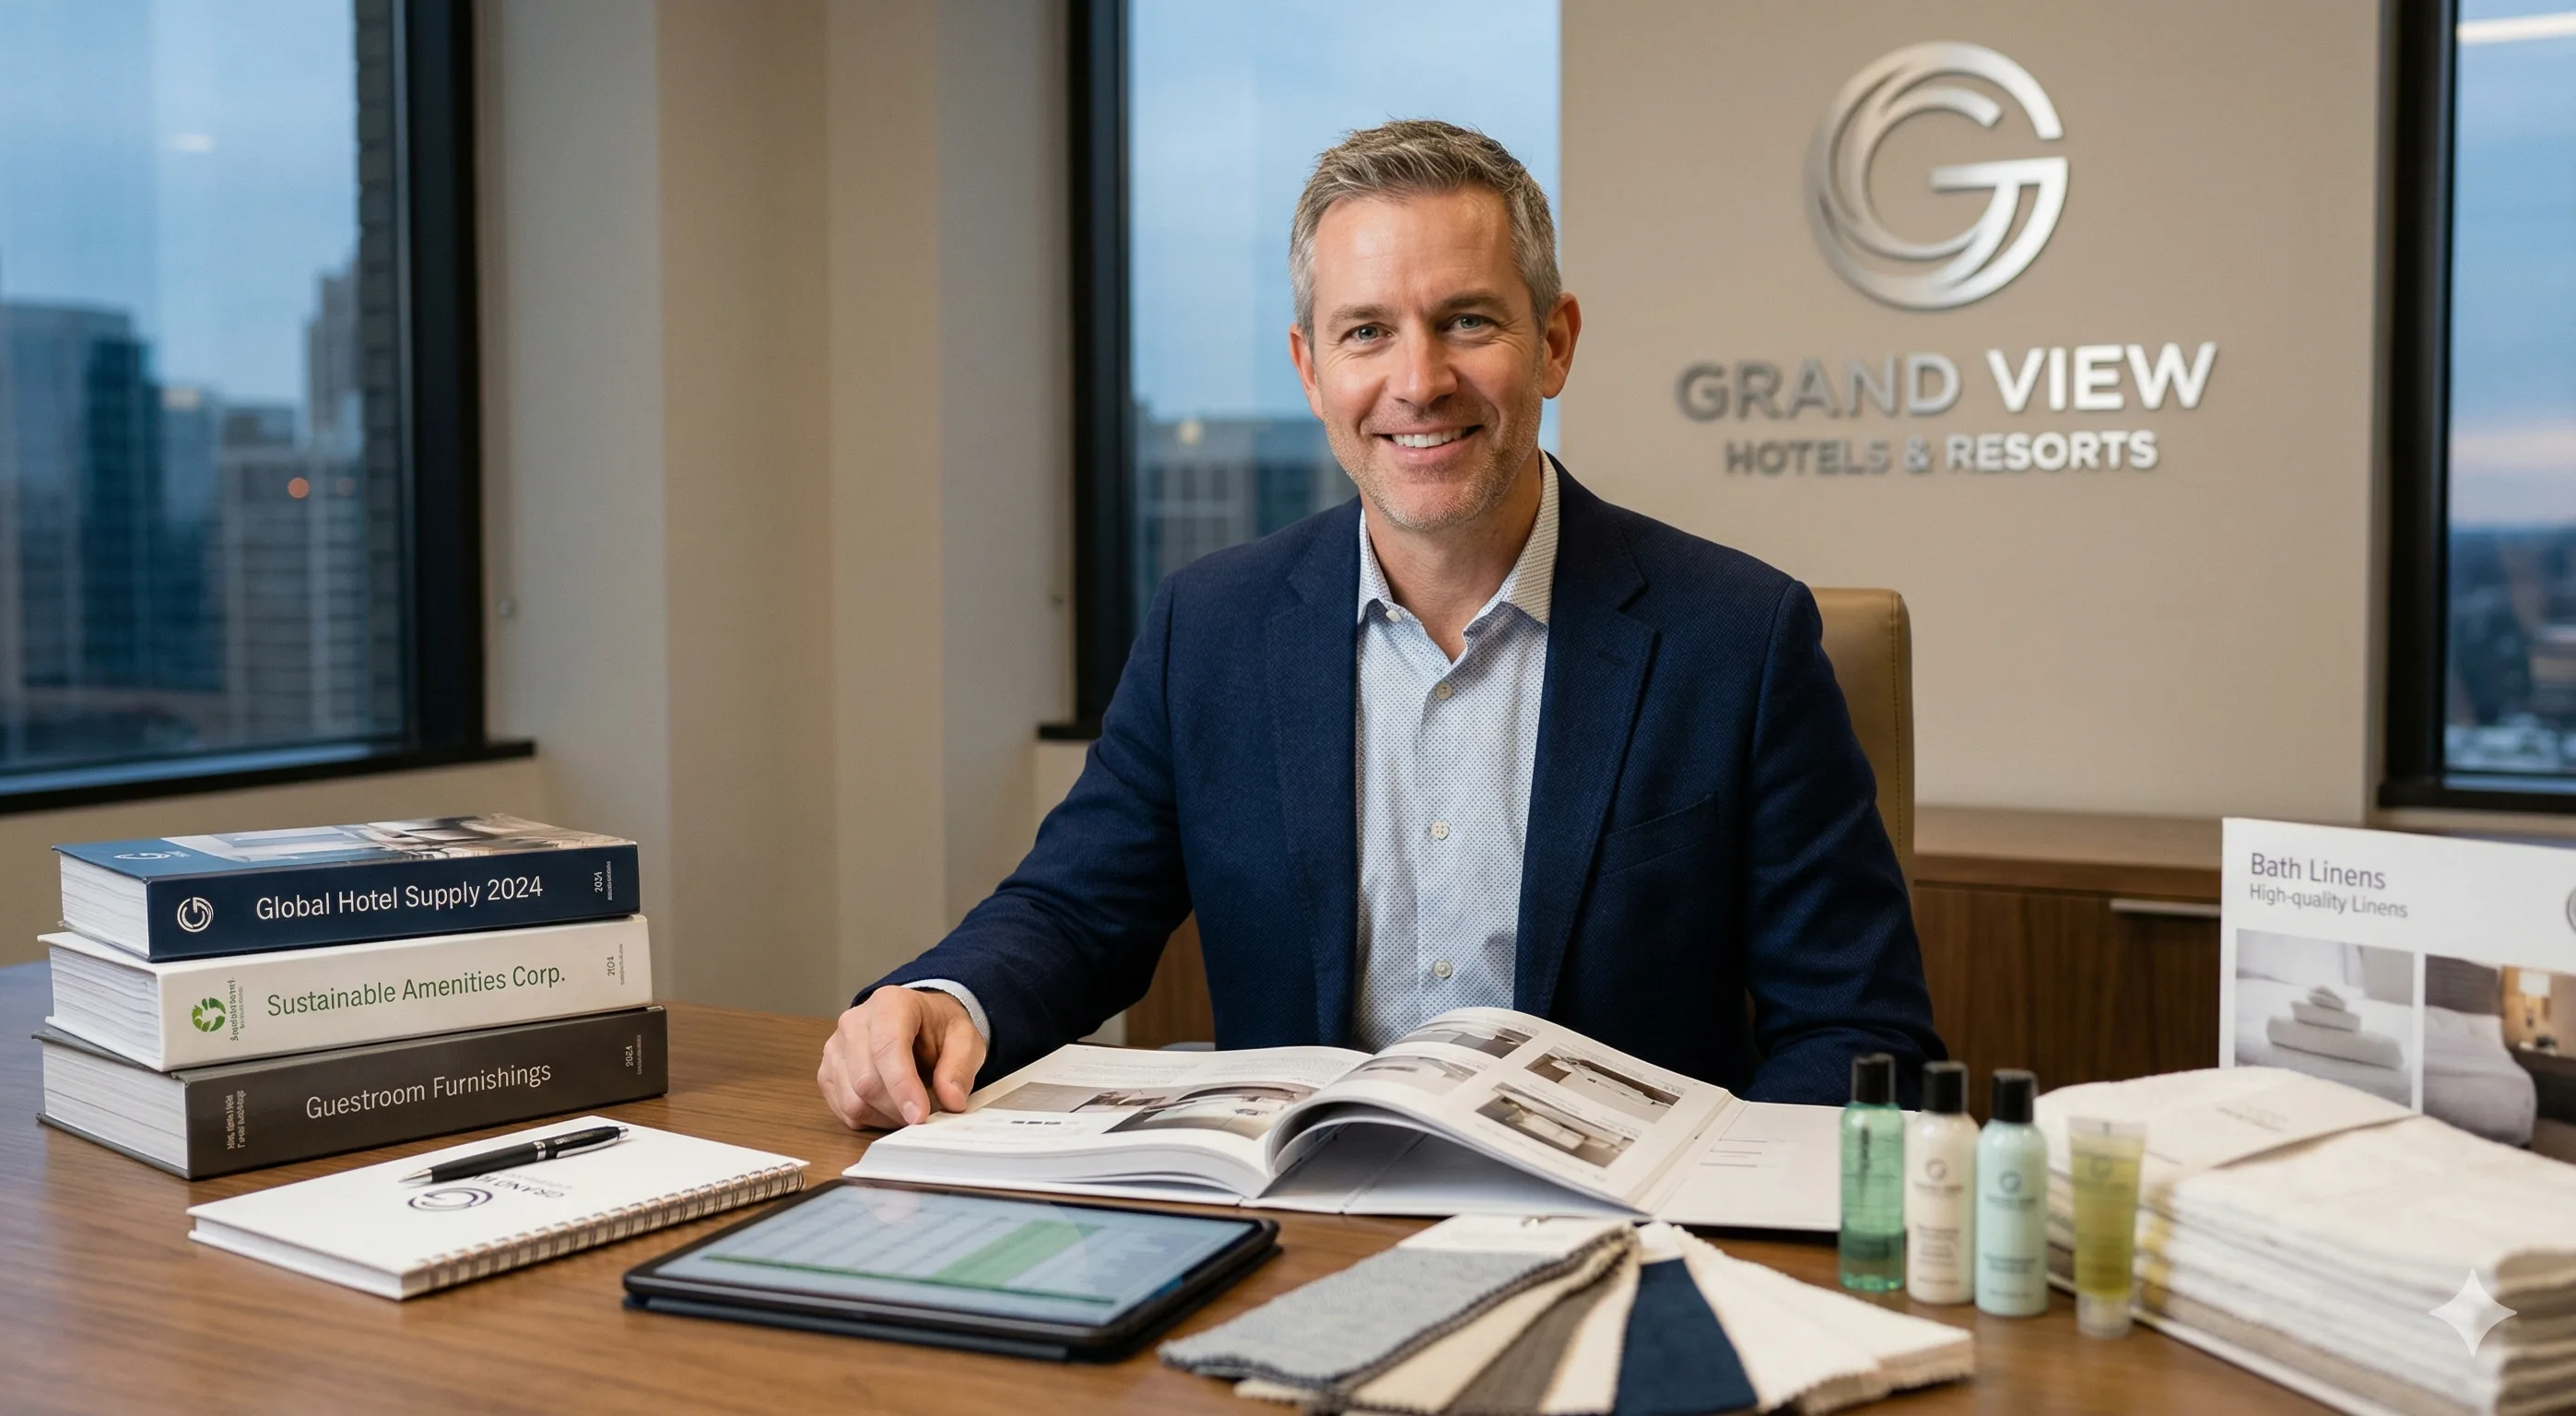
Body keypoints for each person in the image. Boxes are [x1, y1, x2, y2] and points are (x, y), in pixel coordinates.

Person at [818, 120, 1942, 1131]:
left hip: (1611, 1247)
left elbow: (1854, 1034)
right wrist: (938, 997)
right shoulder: (1209, 625)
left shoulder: (1736, 639)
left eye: (1466, 321)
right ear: (1311, 368)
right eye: (1365, 332)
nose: (1419, 380)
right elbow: (1074, 910)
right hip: (1293, 1233)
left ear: (1553, 342)